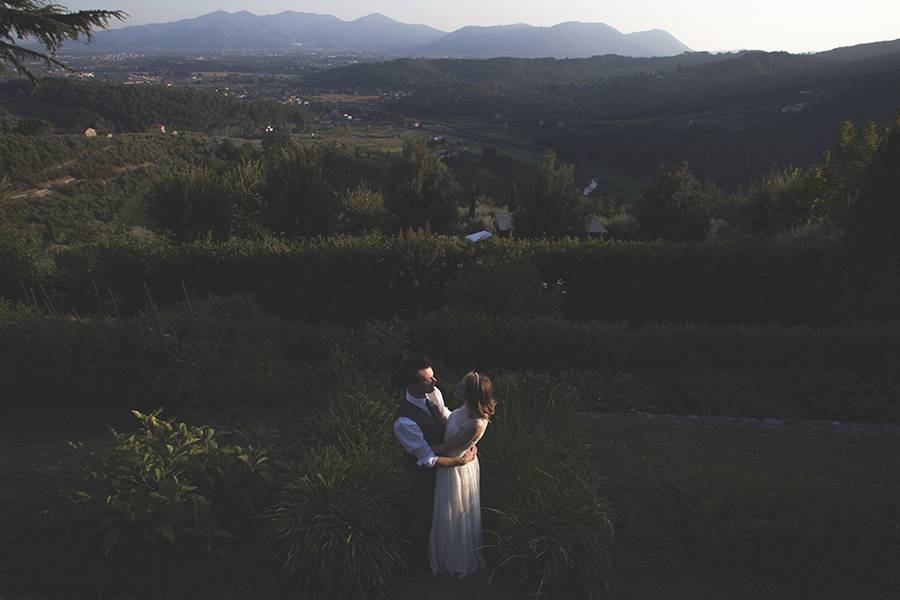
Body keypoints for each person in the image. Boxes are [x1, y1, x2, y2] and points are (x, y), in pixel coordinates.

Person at [393, 357, 477, 572]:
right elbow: (427, 458)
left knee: (446, 513)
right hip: (424, 475)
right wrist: (461, 460)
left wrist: (466, 432)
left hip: (445, 468)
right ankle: (420, 566)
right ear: (413, 385)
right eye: (429, 380)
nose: (435, 382)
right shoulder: (405, 422)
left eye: (433, 376)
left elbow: (445, 416)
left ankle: (442, 555)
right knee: (424, 516)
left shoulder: (432, 393)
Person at [427, 371, 495, 577]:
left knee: (454, 511)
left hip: (457, 469)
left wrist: (416, 446)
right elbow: (450, 418)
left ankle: (453, 559)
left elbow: (447, 447)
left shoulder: (476, 423)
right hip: (453, 464)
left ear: (471, 394)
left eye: (462, 385)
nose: (457, 385)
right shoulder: (465, 409)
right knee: (447, 510)